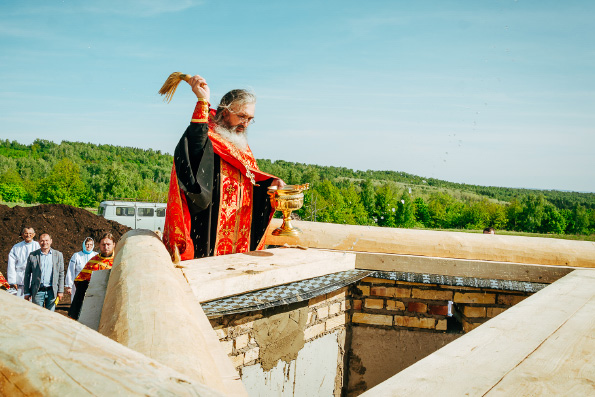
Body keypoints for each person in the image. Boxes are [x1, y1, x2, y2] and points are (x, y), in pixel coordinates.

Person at [163, 74, 284, 261]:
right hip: (208, 228)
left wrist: (270, 182)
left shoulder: (240, 143)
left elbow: (251, 177)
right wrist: (203, 102)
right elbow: (194, 148)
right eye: (241, 116)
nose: (245, 123)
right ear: (225, 112)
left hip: (240, 236)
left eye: (250, 118)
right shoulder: (207, 134)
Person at [68, 233, 116, 320]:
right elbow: (81, 285)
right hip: (95, 301)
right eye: (103, 244)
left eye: (108, 244)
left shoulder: (118, 260)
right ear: (99, 245)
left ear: (114, 244)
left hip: (113, 301)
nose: (106, 247)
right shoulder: (93, 261)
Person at [23, 233, 64, 311]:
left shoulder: (58, 255)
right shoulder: (33, 255)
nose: (44, 243)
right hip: (38, 291)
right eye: (42, 241)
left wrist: (61, 291)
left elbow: (61, 274)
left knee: (51, 315)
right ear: (38, 242)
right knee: (38, 315)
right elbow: (27, 274)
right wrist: (27, 292)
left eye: (46, 240)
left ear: (51, 241)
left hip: (52, 291)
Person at [7, 227, 40, 298]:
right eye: (26, 233)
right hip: (20, 278)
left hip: (34, 277)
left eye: (30, 233)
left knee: (33, 302)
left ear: (34, 234)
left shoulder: (38, 246)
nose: (28, 235)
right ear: (22, 234)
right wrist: (12, 281)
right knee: (19, 300)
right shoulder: (16, 247)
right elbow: (11, 264)